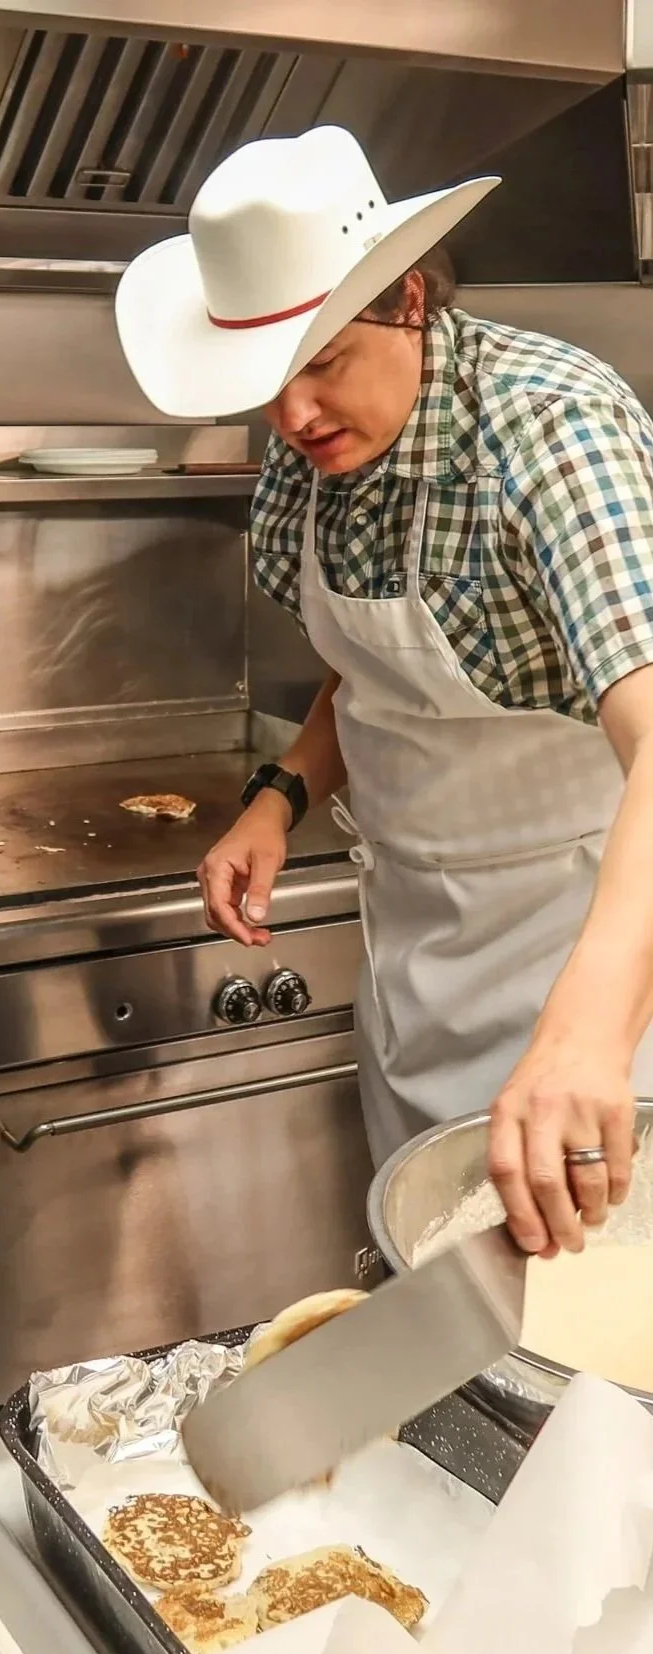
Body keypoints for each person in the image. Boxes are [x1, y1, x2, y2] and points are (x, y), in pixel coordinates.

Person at [114, 126, 653, 1265]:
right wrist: (277, 796)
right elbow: (372, 675)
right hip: (417, 961)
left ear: (410, 296)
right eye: (268, 384)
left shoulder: (550, 430)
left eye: (322, 362)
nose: (296, 416)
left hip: (596, 963)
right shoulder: (315, 460)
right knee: (439, 1311)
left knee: (585, 1370)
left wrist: (586, 1032)